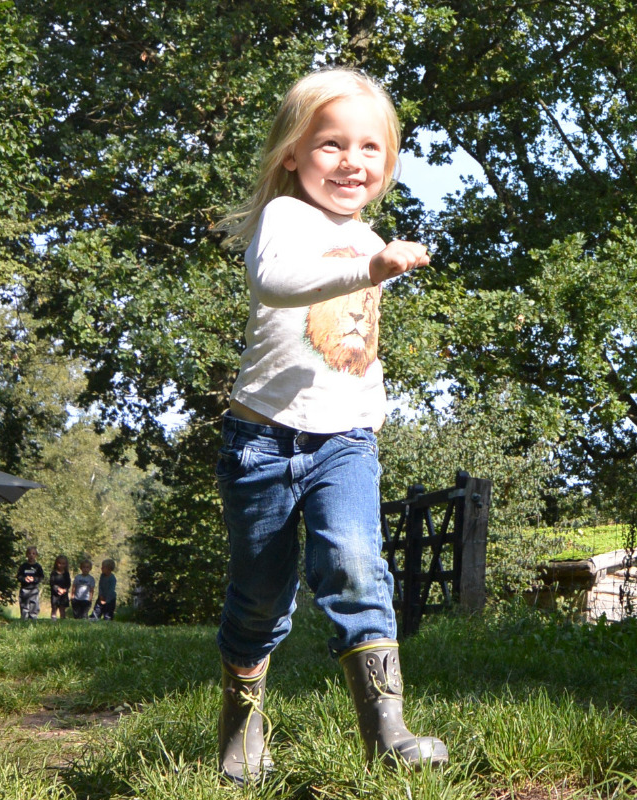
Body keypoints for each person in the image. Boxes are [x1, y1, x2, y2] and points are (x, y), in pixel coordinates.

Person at [209, 67, 446, 783]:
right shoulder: (286, 220)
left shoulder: (370, 236)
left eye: (369, 148)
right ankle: (241, 728)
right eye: (331, 145)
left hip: (344, 444)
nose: (352, 162)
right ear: (291, 152)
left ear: (388, 163)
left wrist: (373, 414)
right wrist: (368, 267)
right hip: (261, 444)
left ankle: (388, 731)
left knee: (353, 561)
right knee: (259, 598)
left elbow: (354, 348)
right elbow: (275, 283)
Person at [16, 546, 44, 620]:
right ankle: (24, 619)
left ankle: (33, 619)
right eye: (29, 553)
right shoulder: (23, 566)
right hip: (24, 589)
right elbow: (19, 576)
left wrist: (34, 579)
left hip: (34, 589)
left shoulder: (38, 567)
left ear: (36, 555)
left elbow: (41, 577)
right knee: (24, 606)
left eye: (33, 553)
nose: (31, 555)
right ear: (26, 555)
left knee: (34, 605)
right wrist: (25, 579)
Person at [49, 554, 72, 620]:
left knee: (62, 609)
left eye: (63, 563)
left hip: (64, 594)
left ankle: (63, 621)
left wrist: (65, 590)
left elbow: (68, 583)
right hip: (55, 594)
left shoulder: (66, 574)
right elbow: (52, 583)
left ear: (66, 564)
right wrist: (58, 589)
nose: (61, 565)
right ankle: (53, 620)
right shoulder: (53, 573)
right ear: (56, 563)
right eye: (59, 563)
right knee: (54, 608)